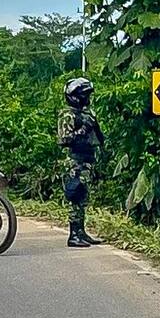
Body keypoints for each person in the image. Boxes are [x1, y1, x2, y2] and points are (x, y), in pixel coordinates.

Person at [57, 77, 105, 249]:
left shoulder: (87, 114)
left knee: (83, 198)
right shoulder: (68, 115)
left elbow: (99, 138)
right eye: (85, 95)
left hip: (86, 161)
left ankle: (81, 232)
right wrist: (83, 128)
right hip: (74, 162)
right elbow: (64, 139)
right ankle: (73, 235)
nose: (88, 98)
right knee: (74, 196)